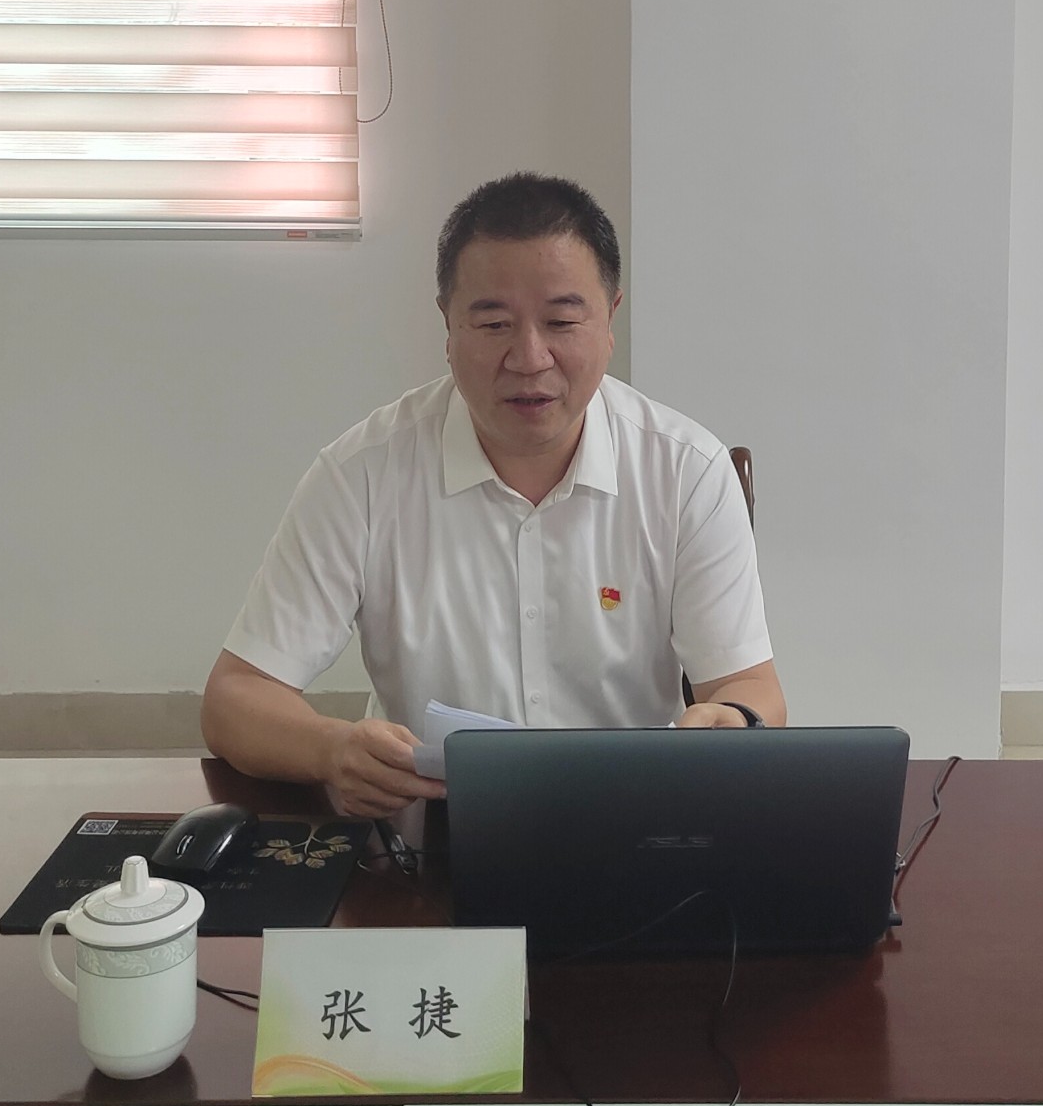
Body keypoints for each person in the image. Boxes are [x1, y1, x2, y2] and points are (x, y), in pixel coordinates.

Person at [202, 172, 785, 817]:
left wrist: (735, 718)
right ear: (448, 326)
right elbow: (236, 698)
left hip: (634, 820)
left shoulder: (687, 471)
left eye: (562, 320)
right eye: (494, 323)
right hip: (432, 825)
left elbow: (748, 684)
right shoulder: (362, 474)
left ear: (610, 320)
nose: (529, 358)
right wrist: (332, 750)